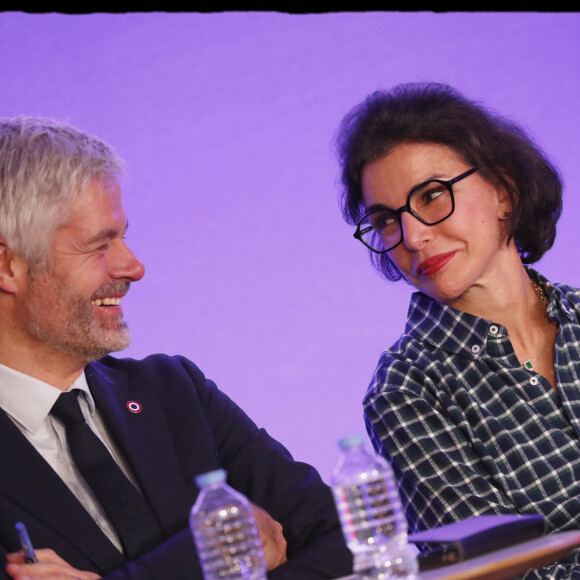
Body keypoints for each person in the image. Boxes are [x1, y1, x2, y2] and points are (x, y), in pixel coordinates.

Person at [0, 117, 352, 580]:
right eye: (100, 244)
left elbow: (345, 540)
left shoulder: (175, 392)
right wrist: (218, 547)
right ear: (9, 265)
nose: (134, 266)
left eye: (124, 235)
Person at [335, 82, 580, 578]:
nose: (413, 236)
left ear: (504, 193)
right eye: (386, 220)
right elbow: (511, 573)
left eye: (431, 196)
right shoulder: (405, 393)